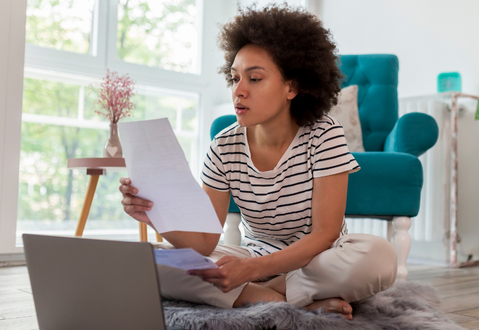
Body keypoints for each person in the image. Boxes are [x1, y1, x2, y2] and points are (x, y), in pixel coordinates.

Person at [119, 4, 397, 320]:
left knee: (379, 256)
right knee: (153, 261)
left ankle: (261, 292)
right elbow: (205, 242)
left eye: (254, 78)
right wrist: (155, 215)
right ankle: (290, 302)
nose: (238, 91)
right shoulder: (223, 145)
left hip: (318, 260)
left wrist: (249, 270)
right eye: (235, 78)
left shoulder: (324, 134)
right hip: (252, 256)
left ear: (292, 86)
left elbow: (325, 234)